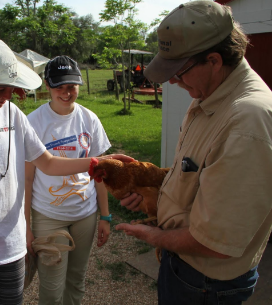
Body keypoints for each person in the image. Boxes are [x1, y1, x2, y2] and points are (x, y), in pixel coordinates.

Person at [0, 36, 133, 305]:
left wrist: (98, 162)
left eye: (11, 87)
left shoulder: (12, 113)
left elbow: (48, 163)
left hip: (12, 247)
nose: (9, 96)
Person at [115, 2, 272, 305]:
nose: (173, 80)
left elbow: (218, 242)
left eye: (179, 71)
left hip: (206, 284)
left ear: (213, 60)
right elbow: (192, 175)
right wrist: (143, 178)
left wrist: (154, 236)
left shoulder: (247, 121)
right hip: (185, 267)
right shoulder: (209, 95)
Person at [24, 55, 111, 305]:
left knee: (76, 280)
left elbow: (100, 173)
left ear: (79, 85)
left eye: (71, 86)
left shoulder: (89, 119)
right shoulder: (34, 122)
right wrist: (27, 226)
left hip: (86, 214)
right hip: (49, 215)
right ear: (47, 86)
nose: (66, 92)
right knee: (51, 289)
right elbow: (27, 178)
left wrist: (105, 216)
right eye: (59, 87)